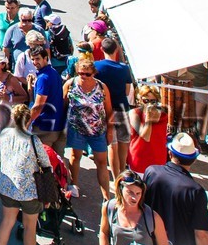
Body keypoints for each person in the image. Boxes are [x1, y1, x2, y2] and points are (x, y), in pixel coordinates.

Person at [0, 102, 53, 245]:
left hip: (7, 187)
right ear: (28, 120)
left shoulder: (4, 135)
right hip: (30, 191)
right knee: (30, 227)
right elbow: (46, 164)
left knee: (6, 222)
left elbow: (0, 157)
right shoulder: (33, 139)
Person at [141, 133, 208, 245]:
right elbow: (201, 234)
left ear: (170, 153)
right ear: (194, 160)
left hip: (150, 243)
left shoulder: (151, 171)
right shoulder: (196, 191)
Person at [62, 58, 113, 199]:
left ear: (94, 73)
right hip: (76, 129)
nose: (83, 76)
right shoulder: (70, 84)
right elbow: (63, 105)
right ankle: (74, 185)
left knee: (101, 162)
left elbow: (109, 110)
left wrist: (110, 130)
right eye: (80, 73)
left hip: (97, 130)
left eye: (87, 74)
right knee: (75, 157)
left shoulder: (102, 87)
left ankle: (106, 196)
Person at [94, 35, 134, 176]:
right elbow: (127, 90)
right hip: (122, 108)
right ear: (116, 49)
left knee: (112, 143)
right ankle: (123, 171)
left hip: (105, 110)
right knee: (123, 142)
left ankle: (115, 174)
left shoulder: (97, 66)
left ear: (101, 49)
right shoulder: (124, 68)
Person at [27, 46, 67, 153]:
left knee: (43, 162)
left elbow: (38, 106)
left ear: (46, 58)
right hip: (58, 124)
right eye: (33, 59)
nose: (35, 62)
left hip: (44, 127)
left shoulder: (43, 78)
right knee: (59, 163)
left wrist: (26, 122)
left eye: (38, 59)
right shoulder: (53, 72)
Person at [126, 92, 170, 175]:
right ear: (140, 100)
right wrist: (148, 119)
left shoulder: (164, 115)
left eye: (153, 101)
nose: (149, 104)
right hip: (139, 158)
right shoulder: (134, 113)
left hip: (158, 158)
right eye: (146, 100)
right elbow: (146, 136)